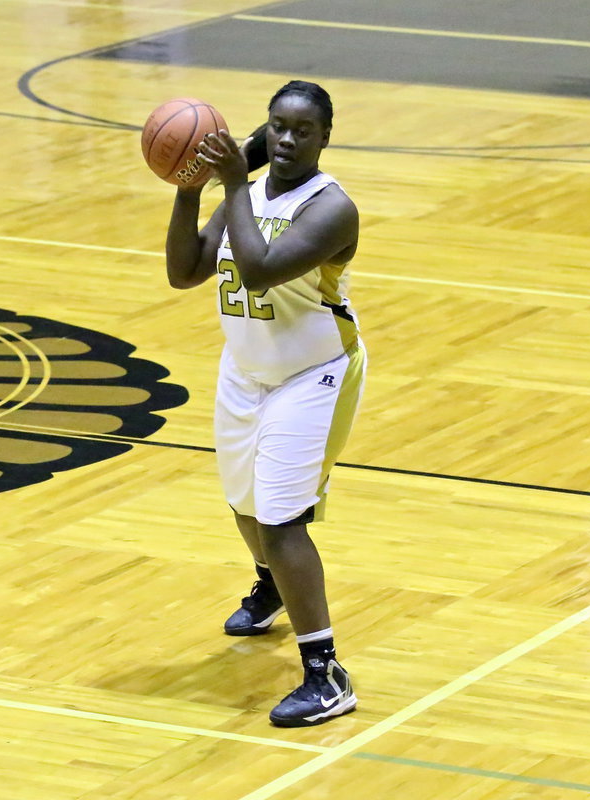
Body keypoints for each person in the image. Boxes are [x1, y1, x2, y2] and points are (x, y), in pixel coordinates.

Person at [165, 80, 365, 727]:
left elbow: (255, 269)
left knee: (281, 520)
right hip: (244, 370)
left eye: (300, 130)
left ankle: (326, 674)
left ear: (323, 138)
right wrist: (187, 187)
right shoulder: (244, 196)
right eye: (275, 125)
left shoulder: (331, 209)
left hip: (313, 375)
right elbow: (185, 269)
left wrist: (229, 184)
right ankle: (274, 586)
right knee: (244, 506)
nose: (283, 138)